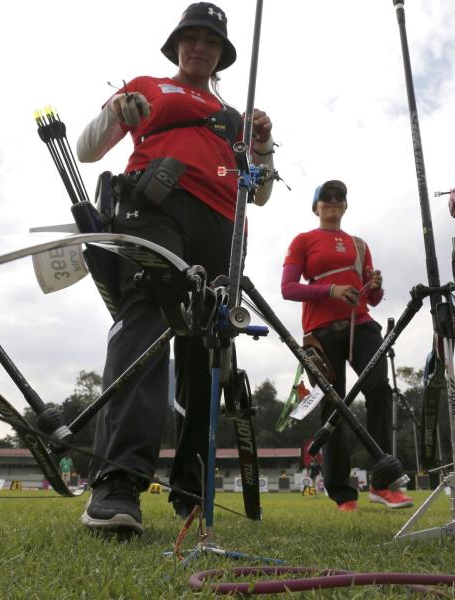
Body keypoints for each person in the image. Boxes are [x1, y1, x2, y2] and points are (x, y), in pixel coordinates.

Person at [76, 2, 274, 535]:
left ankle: (192, 485)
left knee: (208, 346)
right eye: (190, 37)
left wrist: (262, 148)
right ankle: (118, 482)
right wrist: (119, 110)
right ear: (176, 45)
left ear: (221, 54)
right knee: (146, 320)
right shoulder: (147, 87)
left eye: (210, 40)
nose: (198, 47)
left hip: (224, 228)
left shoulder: (234, 115)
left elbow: (260, 194)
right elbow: (87, 149)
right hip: (156, 207)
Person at [281, 180, 413, 512]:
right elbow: (288, 288)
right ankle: (342, 493)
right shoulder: (303, 240)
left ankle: (382, 482)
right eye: (326, 197)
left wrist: (376, 287)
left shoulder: (359, 244)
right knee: (335, 406)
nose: (333, 201)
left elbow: (372, 297)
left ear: (345, 205)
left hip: (362, 323)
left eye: (340, 197)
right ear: (316, 206)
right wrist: (330, 291)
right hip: (321, 331)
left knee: (380, 390)